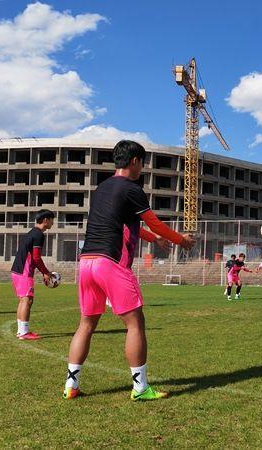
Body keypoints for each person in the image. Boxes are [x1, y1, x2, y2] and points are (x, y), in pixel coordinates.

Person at [62, 140, 195, 401]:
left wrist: (154, 240)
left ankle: (71, 385)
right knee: (135, 323)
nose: (142, 168)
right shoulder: (132, 188)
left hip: (86, 262)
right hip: (110, 263)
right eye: (142, 163)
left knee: (86, 324)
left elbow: (127, 225)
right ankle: (140, 388)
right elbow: (155, 222)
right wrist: (181, 240)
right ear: (135, 161)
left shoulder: (101, 189)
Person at [10, 209, 55, 340]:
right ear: (45, 220)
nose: (53, 223)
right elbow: (36, 257)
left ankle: (21, 331)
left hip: (17, 270)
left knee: (23, 300)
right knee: (27, 300)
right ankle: (24, 333)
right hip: (24, 271)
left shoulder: (31, 232)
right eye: (52, 220)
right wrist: (46, 272)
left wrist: (43, 271)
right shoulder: (39, 235)